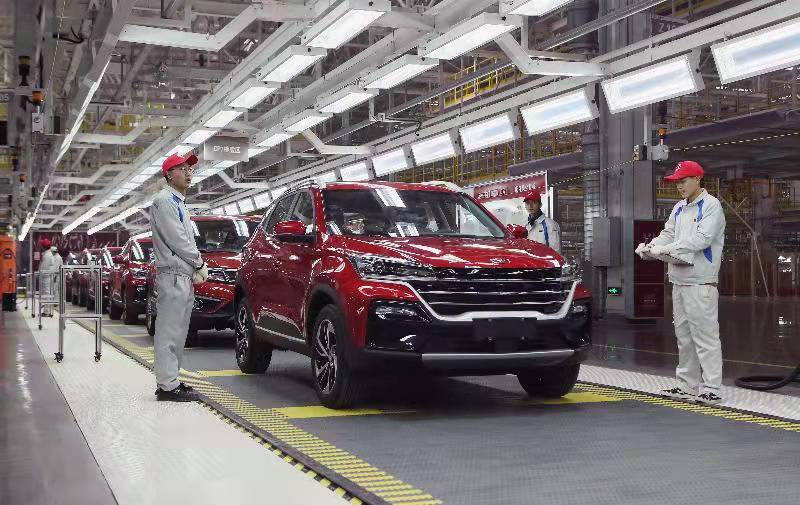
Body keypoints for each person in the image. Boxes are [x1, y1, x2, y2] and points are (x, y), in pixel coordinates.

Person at [636, 161, 726, 405]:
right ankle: (687, 385)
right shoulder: (678, 208)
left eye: (683, 181)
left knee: (705, 337)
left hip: (701, 283)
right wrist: (651, 247)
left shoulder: (711, 206)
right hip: (679, 281)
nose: (679, 186)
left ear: (698, 179)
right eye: (677, 182)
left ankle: (713, 388)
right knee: (684, 337)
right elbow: (668, 233)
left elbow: (702, 239)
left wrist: (666, 249)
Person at [150, 152, 208, 402]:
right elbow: (178, 239)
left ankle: (171, 380)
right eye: (182, 168)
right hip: (173, 276)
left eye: (189, 169)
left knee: (178, 333)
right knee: (169, 333)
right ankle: (166, 386)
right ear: (169, 174)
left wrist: (194, 267)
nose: (188, 172)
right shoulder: (164, 201)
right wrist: (199, 262)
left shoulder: (177, 201)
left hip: (182, 276)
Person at [38, 239, 62, 316]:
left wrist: (39, 274)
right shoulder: (49, 254)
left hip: (47, 277)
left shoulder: (47, 255)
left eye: (41, 245)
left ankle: (47, 312)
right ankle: (48, 309)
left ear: (43, 246)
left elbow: (44, 268)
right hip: (49, 276)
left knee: (48, 293)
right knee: (50, 292)